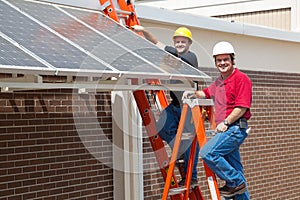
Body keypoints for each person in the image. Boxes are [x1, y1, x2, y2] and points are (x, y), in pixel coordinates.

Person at [131, 25, 199, 186]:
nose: (180, 44)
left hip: (189, 107)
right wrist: (143, 30)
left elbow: (175, 57)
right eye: (177, 41)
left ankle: (192, 177)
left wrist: (164, 59)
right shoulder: (172, 53)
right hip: (176, 105)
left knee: (189, 143)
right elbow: (156, 43)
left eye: (183, 41)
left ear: (189, 43)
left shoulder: (191, 57)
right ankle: (178, 150)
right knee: (162, 128)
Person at [183, 41, 252, 199]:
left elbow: (241, 108)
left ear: (232, 60)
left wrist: (226, 122)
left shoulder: (241, 79)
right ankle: (237, 185)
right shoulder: (220, 81)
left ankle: (235, 181)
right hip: (227, 130)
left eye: (226, 59)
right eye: (219, 60)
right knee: (235, 170)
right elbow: (207, 93)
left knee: (208, 153)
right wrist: (192, 93)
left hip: (234, 129)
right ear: (215, 62)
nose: (222, 63)